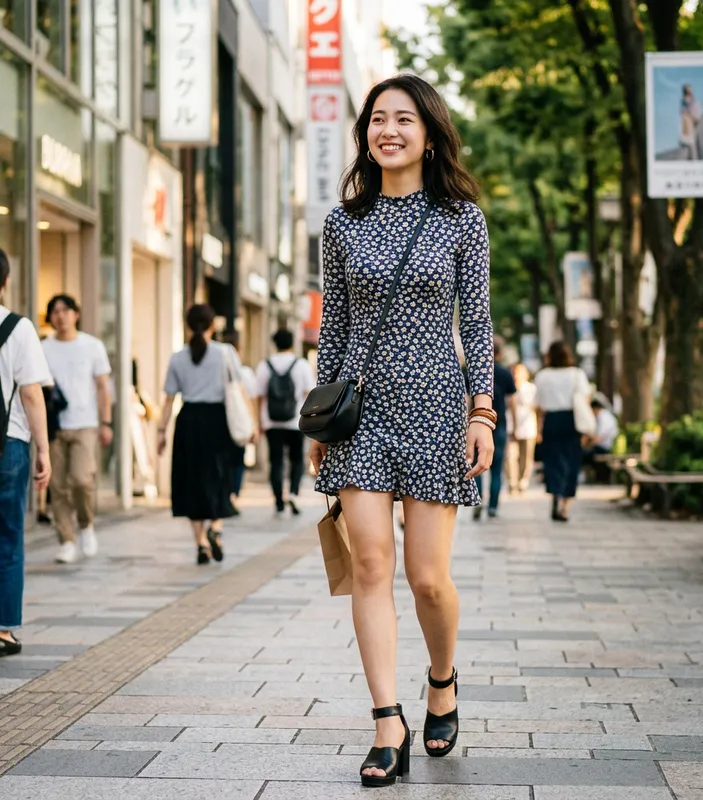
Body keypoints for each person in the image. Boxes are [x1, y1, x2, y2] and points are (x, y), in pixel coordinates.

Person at [309, 73, 495, 787]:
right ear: (365, 135)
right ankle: (387, 719)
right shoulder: (342, 222)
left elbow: (476, 324)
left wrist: (483, 411)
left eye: (403, 120)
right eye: (377, 120)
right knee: (369, 566)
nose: (388, 131)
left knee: (427, 578)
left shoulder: (460, 220)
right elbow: (337, 326)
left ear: (429, 132)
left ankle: (441, 678)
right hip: (361, 411)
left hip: (437, 406)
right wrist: (320, 416)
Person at [157, 305, 250, 564]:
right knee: (220, 475)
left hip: (188, 422)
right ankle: (215, 528)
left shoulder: (177, 357)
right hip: (218, 421)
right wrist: (250, 424)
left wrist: (161, 431)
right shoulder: (225, 353)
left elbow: (168, 400)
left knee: (191, 480)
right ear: (212, 325)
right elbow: (238, 390)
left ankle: (199, 543)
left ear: (188, 325)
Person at [0, 249, 52, 657]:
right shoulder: (17, 329)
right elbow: (32, 393)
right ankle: (2, 630)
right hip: (8, 445)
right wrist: (44, 451)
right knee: (9, 538)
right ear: (6, 281)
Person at [41, 295, 113, 564]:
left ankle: (86, 525)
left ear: (76, 314)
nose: (60, 316)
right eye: (55, 312)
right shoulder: (43, 348)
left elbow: (103, 387)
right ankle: (67, 540)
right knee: (57, 485)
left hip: (85, 423)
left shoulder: (92, 346)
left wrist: (106, 423)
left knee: (82, 480)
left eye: (65, 310)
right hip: (54, 425)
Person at [255, 328, 315, 517]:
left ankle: (278, 500)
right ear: (291, 343)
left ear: (275, 344)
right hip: (296, 421)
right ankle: (294, 494)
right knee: (297, 459)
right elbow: (310, 394)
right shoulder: (301, 365)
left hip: (271, 422)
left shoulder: (265, 365)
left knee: (276, 461)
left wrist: (259, 421)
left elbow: (259, 396)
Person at [534, 341, 590, 522]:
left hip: (551, 421)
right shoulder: (577, 374)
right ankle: (565, 506)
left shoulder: (542, 376)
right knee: (571, 462)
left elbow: (538, 406)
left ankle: (555, 494)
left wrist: (539, 428)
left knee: (552, 462)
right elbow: (585, 400)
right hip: (571, 421)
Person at [473, 336, 517, 520]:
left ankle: (478, 500)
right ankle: (493, 506)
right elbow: (512, 402)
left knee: (477, 466)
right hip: (499, 426)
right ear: (499, 353)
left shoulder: (473, 371)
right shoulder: (505, 373)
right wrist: (514, 424)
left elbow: (467, 399)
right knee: (497, 468)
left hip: (477, 424)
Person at [222, 331, 259, 508]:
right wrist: (254, 424)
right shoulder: (245, 373)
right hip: (238, 422)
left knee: (225, 460)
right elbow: (251, 398)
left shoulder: (216, 366)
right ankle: (233, 495)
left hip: (221, 422)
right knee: (238, 460)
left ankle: (225, 493)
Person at [507, 363, 537, 494]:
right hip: (510, 426)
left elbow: (536, 407)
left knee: (526, 456)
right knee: (510, 456)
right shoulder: (509, 388)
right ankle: (512, 481)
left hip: (528, 427)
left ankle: (523, 481)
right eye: (514, 372)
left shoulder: (531, 389)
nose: (516, 375)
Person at [584, 399, 620, 483]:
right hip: (603, 446)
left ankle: (598, 478)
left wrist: (587, 444)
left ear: (595, 408)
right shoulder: (604, 416)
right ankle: (598, 477)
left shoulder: (603, 416)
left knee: (585, 455)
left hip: (605, 447)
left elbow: (599, 437)